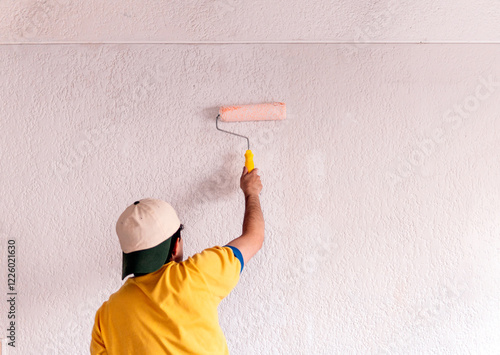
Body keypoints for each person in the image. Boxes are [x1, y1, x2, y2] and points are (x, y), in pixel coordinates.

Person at [90, 166, 264, 354]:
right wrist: (251, 192)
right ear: (175, 246)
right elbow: (254, 237)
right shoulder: (196, 275)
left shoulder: (106, 317)